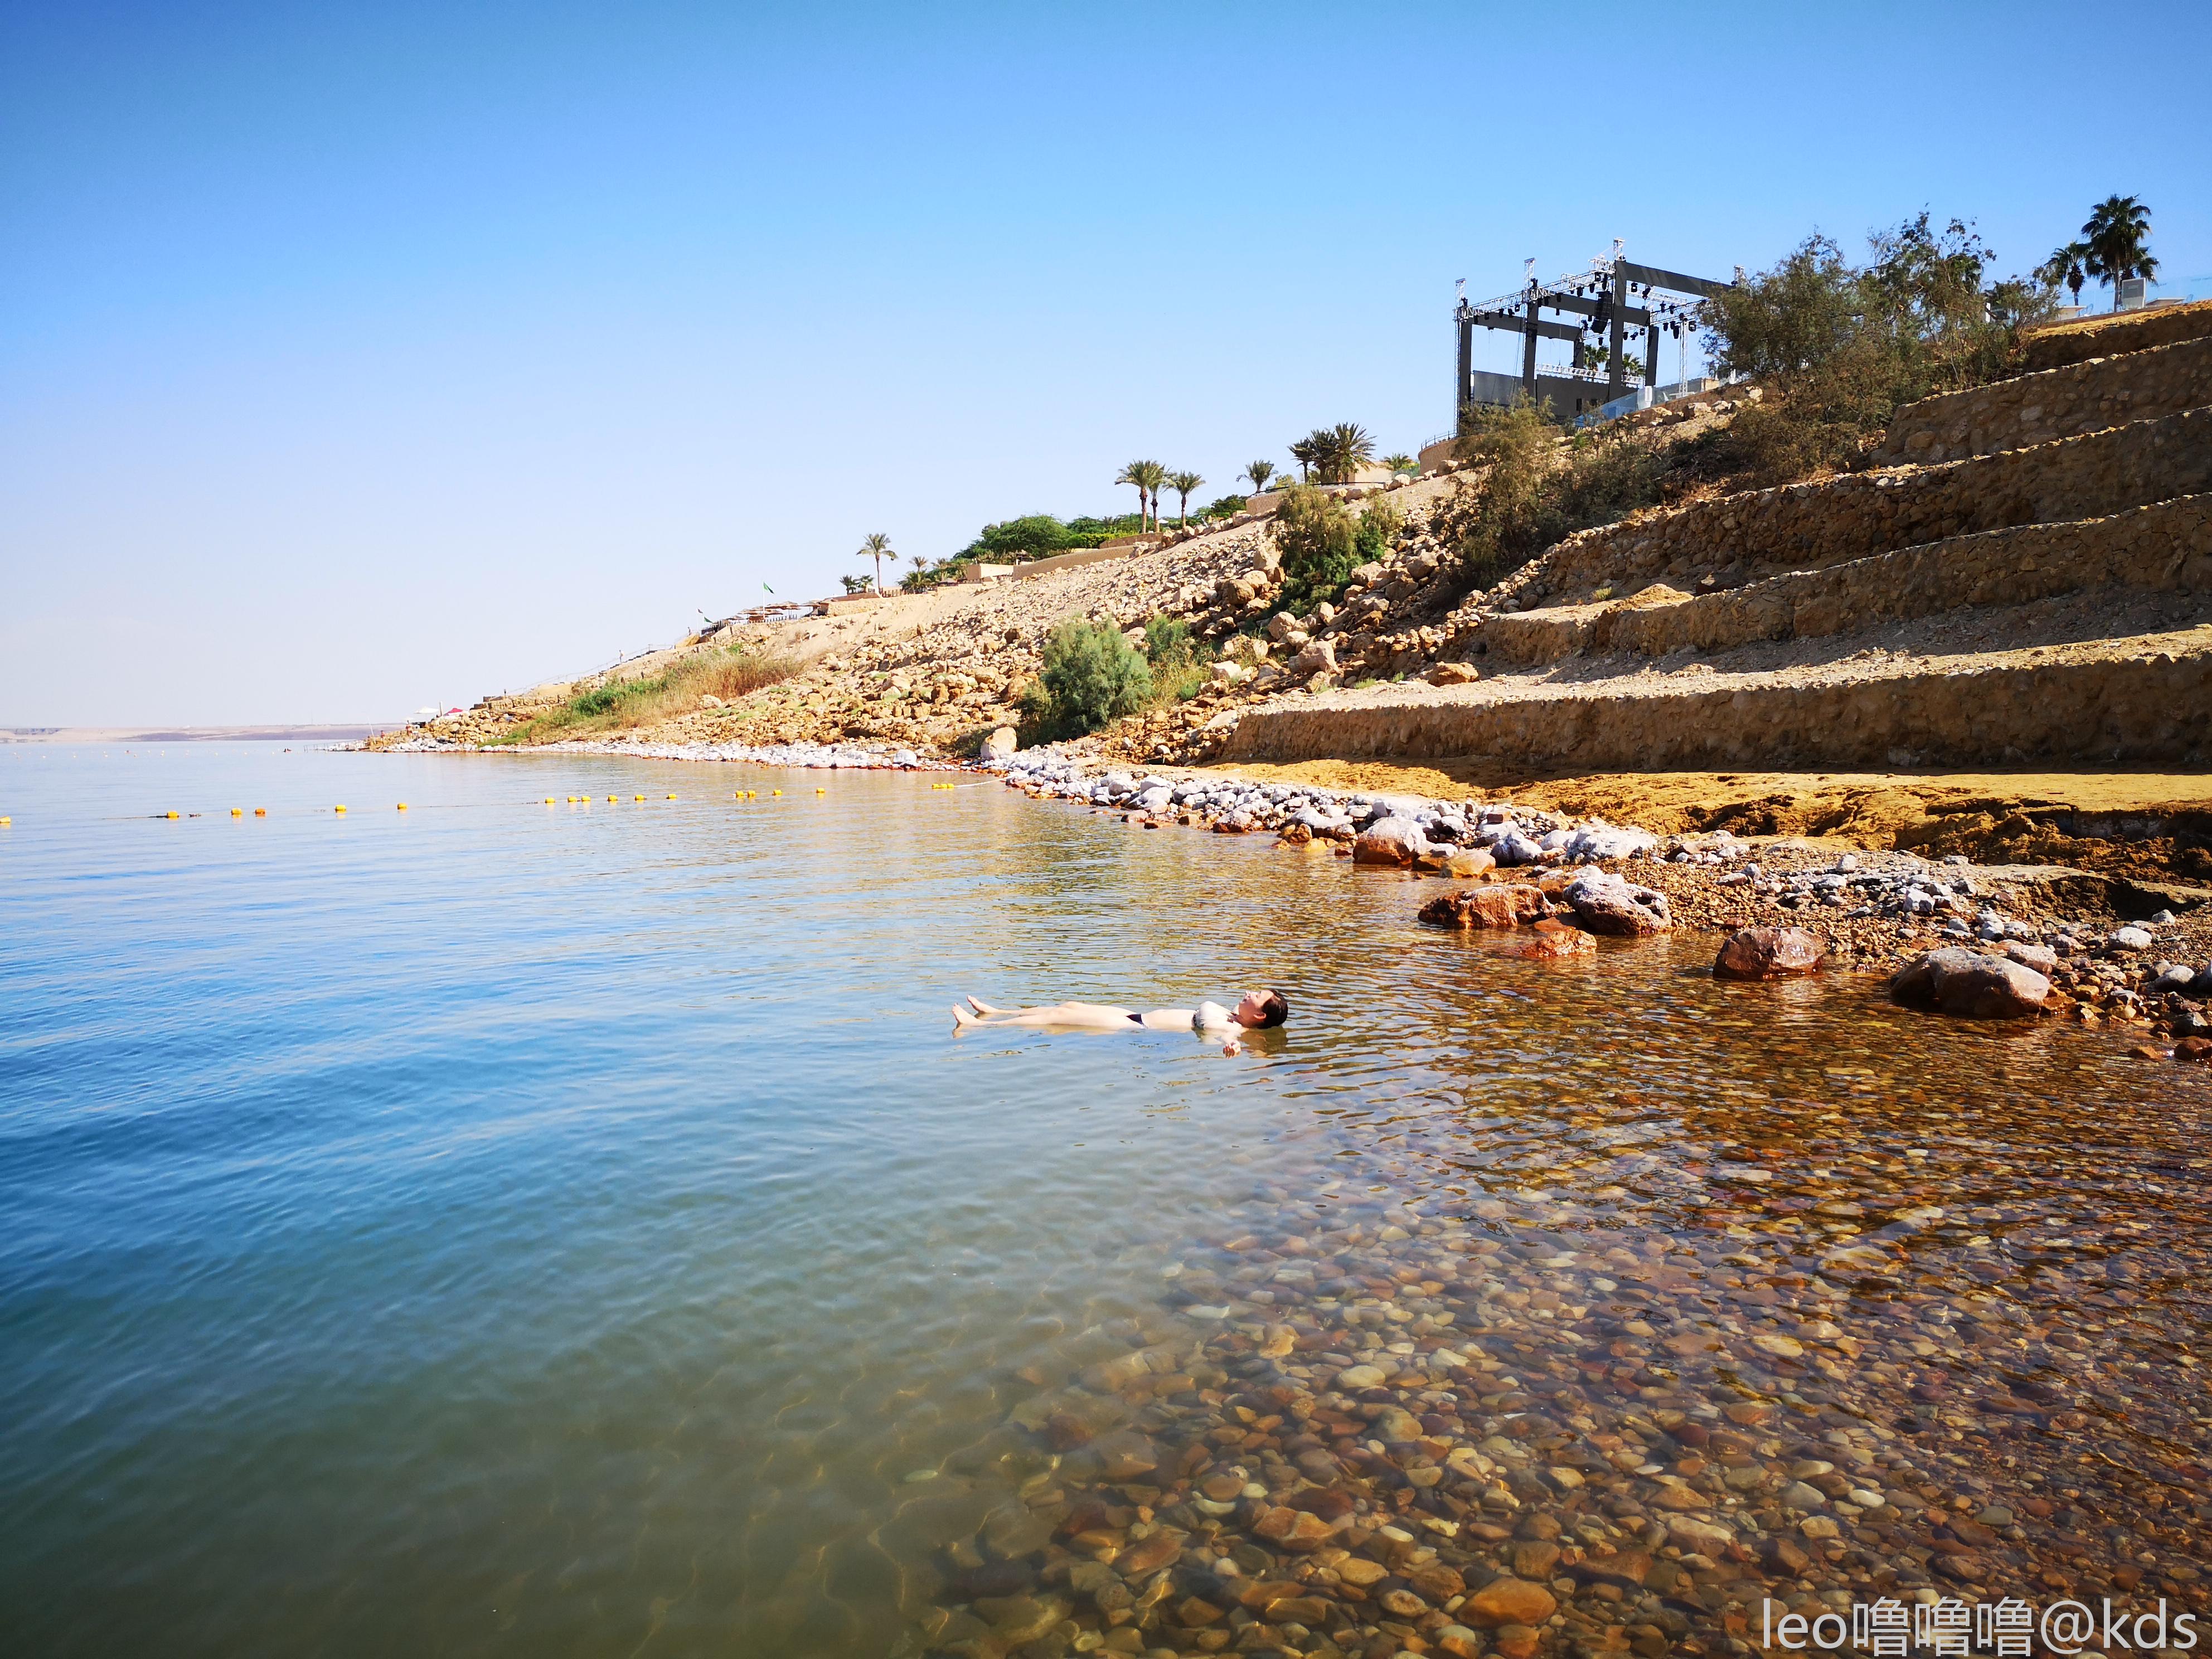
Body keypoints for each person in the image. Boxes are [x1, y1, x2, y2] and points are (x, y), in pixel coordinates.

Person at [952, 989, 1289, 1055]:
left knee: (1056, 1019)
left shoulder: (1234, 1029)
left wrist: (1232, 1049)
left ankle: (980, 1026)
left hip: (1133, 1027)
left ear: (1260, 1015)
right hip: (1133, 1014)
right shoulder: (1231, 1016)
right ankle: (998, 1012)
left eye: (1256, 996)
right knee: (1068, 1006)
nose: (1248, 993)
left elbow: (1227, 1042)